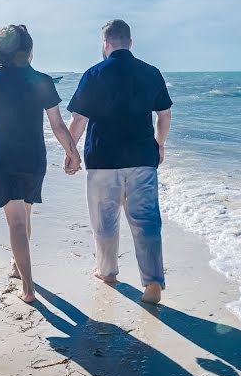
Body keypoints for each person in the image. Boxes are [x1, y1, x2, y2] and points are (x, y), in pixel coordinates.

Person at [0, 25, 82, 303]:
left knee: (16, 221)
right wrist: (73, 153)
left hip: (2, 156)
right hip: (33, 156)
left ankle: (28, 289)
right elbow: (58, 126)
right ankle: (18, 266)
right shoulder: (42, 81)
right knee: (24, 216)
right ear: (29, 52)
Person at [66, 19, 173, 304]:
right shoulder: (151, 73)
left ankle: (107, 271)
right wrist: (160, 144)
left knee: (104, 221)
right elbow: (164, 115)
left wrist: (70, 151)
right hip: (142, 158)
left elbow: (78, 120)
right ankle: (152, 285)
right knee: (146, 221)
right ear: (130, 41)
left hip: (103, 158)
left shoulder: (94, 74)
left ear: (106, 44)